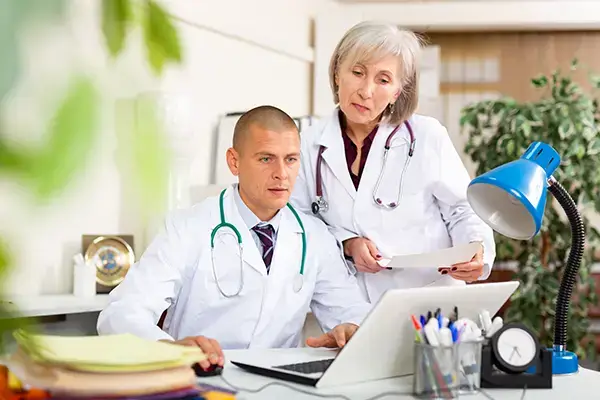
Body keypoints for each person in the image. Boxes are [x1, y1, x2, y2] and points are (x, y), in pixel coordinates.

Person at [97, 105, 372, 371]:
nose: (282, 173)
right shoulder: (186, 227)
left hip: (278, 388)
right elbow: (121, 314)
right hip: (202, 380)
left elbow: (351, 312)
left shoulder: (315, 237)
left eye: (291, 159)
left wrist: (351, 329)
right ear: (234, 161)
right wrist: (168, 348)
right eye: (266, 158)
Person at [290, 21, 496, 305]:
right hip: (351, 302)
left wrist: (477, 250)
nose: (366, 90)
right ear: (338, 72)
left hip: (429, 297)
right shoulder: (308, 142)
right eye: (358, 72)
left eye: (383, 80)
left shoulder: (426, 136)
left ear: (397, 92)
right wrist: (347, 243)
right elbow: (301, 220)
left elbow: (463, 207)